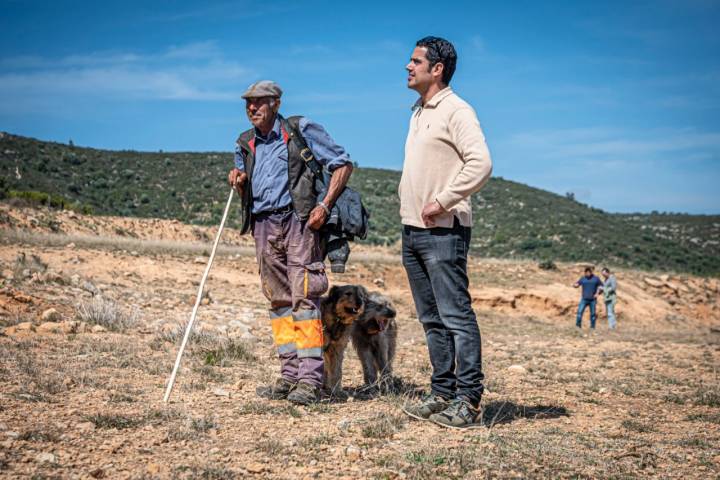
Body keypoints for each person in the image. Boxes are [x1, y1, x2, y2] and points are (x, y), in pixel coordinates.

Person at [227, 80, 354, 405]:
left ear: (276, 103)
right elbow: (246, 187)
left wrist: (324, 206)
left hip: (298, 223)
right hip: (263, 225)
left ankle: (310, 381)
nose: (252, 108)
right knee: (279, 303)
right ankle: (289, 376)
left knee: (304, 300)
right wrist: (239, 181)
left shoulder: (299, 129)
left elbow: (342, 163)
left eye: (260, 102)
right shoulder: (244, 143)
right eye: (248, 104)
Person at [399, 36, 493, 428]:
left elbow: (481, 163)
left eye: (416, 61)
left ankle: (468, 400)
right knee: (431, 318)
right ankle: (442, 393)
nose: (408, 66)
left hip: (443, 230)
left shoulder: (456, 109)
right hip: (413, 230)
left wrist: (443, 200)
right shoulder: (419, 111)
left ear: (437, 69)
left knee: (455, 316)